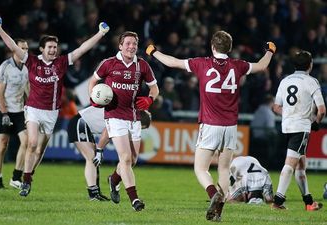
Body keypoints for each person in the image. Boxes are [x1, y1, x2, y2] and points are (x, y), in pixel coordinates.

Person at [146, 30, 275, 221]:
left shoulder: (202, 63)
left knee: (200, 168)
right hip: (231, 126)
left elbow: (173, 61)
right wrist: (270, 51)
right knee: (223, 169)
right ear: (229, 48)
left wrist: (153, 51)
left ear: (212, 47)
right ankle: (218, 211)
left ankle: (213, 194)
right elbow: (262, 66)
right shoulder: (238, 65)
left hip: (210, 124)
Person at [0, 16, 110, 197]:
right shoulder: (32, 61)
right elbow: (12, 46)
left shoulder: (61, 62)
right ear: (42, 49)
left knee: (39, 150)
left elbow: (82, 49)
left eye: (55, 47)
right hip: (33, 109)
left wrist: (100, 34)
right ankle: (25, 181)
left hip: (52, 112)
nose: (53, 49)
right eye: (50, 47)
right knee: (31, 143)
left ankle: (29, 175)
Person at [88, 31, 159, 211]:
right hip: (114, 115)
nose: (131, 46)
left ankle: (113, 179)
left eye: (134, 43)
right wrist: (93, 97)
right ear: (120, 46)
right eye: (127, 43)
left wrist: (150, 99)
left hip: (134, 116)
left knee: (133, 160)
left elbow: (155, 89)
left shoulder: (142, 65)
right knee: (126, 158)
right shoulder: (108, 63)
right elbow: (93, 82)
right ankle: (134, 199)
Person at [272, 50, 325, 211]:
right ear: (310, 65)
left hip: (287, 125)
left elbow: (276, 107)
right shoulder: (312, 81)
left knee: (301, 164)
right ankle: (278, 201)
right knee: (291, 163)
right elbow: (322, 110)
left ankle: (308, 202)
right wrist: (315, 123)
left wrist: (288, 113)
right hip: (301, 126)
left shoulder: (285, 80)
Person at [67, 106, 152, 201]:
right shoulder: (125, 116)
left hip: (84, 124)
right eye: (141, 128)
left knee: (94, 158)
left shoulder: (127, 112)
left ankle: (96, 193)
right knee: (91, 157)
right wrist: (100, 150)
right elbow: (107, 132)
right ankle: (93, 194)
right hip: (80, 122)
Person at [0, 39, 29, 189]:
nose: (25, 51)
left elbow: (28, 89)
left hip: (19, 110)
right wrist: (4, 113)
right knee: (2, 145)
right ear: (15, 49)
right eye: (22, 48)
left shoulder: (27, 68)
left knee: (26, 142)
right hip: (4, 110)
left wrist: (30, 106)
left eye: (26, 49)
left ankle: (15, 177)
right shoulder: (5, 67)